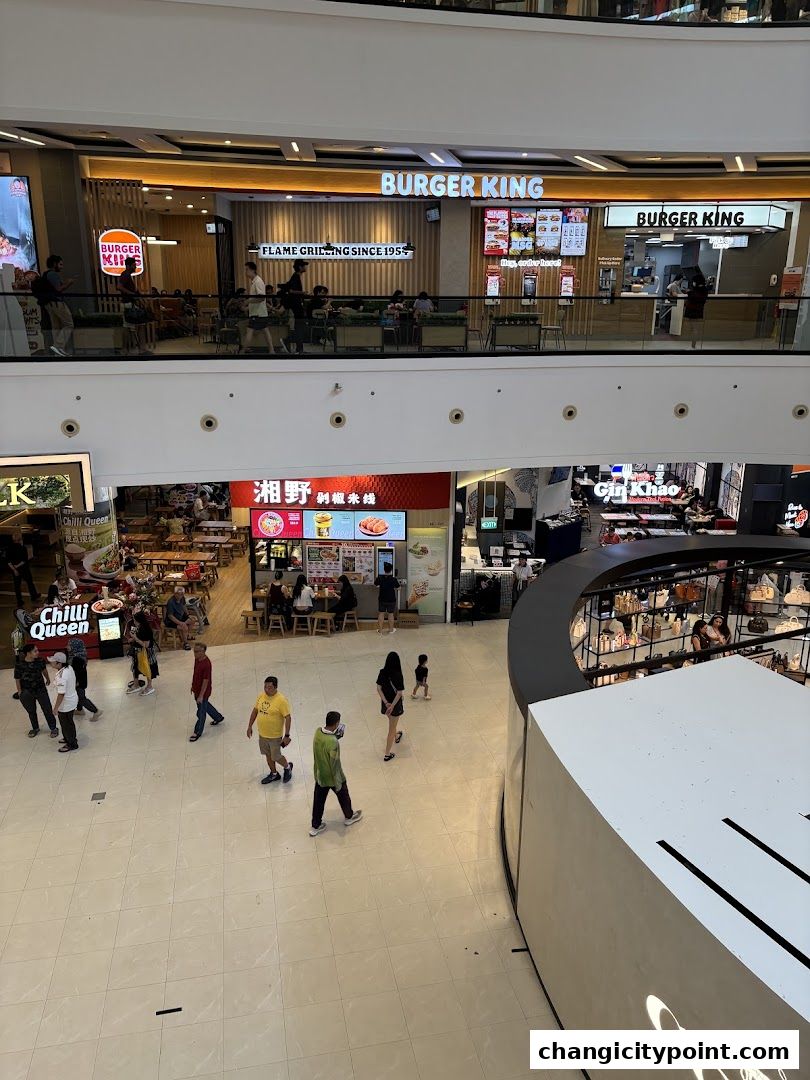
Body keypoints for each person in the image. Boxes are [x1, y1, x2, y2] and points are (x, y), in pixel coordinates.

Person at [309, 711, 363, 836]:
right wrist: (338, 782)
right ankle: (349, 817)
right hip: (333, 777)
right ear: (337, 723)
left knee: (318, 801)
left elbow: (323, 745)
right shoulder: (333, 742)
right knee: (343, 796)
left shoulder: (318, 732)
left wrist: (335, 737)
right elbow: (335, 763)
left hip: (320, 775)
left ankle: (315, 826)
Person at [246, 675, 294, 784]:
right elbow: (255, 711)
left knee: (276, 756)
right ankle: (274, 774)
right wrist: (249, 726)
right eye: (265, 687)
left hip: (275, 736)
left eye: (269, 687)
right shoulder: (261, 696)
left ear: (275, 687)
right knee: (268, 756)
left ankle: (287, 767)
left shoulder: (281, 700)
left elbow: (288, 717)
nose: (266, 690)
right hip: (262, 734)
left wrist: (286, 736)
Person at [14, 643, 58, 738]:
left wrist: (48, 679)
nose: (38, 652)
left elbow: (44, 670)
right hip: (27, 691)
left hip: (40, 689)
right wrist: (20, 691)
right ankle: (35, 728)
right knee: (31, 710)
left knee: (47, 709)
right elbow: (17, 679)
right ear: (28, 653)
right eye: (35, 651)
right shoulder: (19, 665)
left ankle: (53, 728)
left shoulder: (40, 661)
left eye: (37, 650)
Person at [189, 642, 224, 742]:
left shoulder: (207, 664)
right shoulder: (197, 659)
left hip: (203, 692)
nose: (194, 653)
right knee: (205, 706)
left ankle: (198, 732)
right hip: (196, 689)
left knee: (201, 712)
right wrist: (192, 685)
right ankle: (218, 717)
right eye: (194, 651)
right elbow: (195, 673)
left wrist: (201, 695)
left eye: (197, 651)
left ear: (203, 651)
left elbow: (205, 681)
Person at [40, 254, 75, 356]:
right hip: (56, 302)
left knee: (56, 327)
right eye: (60, 264)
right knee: (69, 324)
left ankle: (57, 351)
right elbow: (59, 289)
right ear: (54, 264)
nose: (61, 267)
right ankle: (58, 346)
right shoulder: (53, 274)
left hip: (49, 304)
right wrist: (69, 283)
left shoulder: (46, 274)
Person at [242, 261, 279, 353]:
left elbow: (261, 298)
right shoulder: (255, 282)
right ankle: (271, 350)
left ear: (252, 270)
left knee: (250, 331)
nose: (246, 272)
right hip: (259, 312)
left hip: (257, 314)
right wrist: (248, 307)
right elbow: (260, 300)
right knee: (265, 331)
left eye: (247, 270)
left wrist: (247, 302)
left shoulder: (258, 282)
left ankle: (242, 351)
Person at [118, 256, 151, 354]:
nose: (135, 267)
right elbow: (119, 287)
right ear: (129, 265)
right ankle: (138, 348)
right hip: (129, 304)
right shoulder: (125, 275)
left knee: (131, 326)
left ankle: (130, 348)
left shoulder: (127, 275)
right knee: (133, 326)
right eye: (134, 265)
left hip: (129, 304)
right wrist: (131, 294)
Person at [377, 651, 405, 761]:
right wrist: (392, 706)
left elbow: (378, 688)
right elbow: (399, 693)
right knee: (391, 728)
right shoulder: (398, 674)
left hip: (385, 704)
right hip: (395, 706)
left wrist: (386, 703)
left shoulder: (382, 672)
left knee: (392, 723)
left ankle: (396, 736)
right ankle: (387, 754)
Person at [49, 651, 79, 752]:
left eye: (53, 661)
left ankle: (72, 743)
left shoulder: (62, 676)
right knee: (67, 723)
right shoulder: (68, 668)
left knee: (67, 724)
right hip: (71, 699)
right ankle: (67, 738)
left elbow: (61, 694)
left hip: (65, 704)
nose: (51, 663)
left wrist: (55, 708)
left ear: (59, 663)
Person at [68, 637, 102, 720]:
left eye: (69, 645)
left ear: (74, 647)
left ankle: (96, 711)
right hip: (81, 681)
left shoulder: (76, 659)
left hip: (78, 682)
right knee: (77, 696)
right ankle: (80, 710)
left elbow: (78, 672)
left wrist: (76, 682)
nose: (67, 646)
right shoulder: (80, 656)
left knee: (81, 698)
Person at [6, 530, 40, 607]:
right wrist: (17, 567)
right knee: (30, 582)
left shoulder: (9, 548)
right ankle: (34, 596)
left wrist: (14, 569)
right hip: (24, 569)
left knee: (17, 586)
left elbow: (8, 561)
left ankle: (19, 601)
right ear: (20, 539)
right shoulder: (23, 548)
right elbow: (24, 561)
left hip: (14, 570)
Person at [130, 609, 158, 695]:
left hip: (146, 653)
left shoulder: (146, 629)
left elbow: (145, 645)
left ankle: (149, 686)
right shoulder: (138, 627)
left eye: (134, 620)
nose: (133, 621)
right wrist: (132, 638)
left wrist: (135, 638)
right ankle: (136, 684)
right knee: (135, 668)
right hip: (137, 651)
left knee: (148, 668)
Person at [285, 258, 309, 354]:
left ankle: (299, 349)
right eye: (304, 265)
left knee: (300, 326)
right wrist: (303, 293)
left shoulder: (296, 276)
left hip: (297, 305)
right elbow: (291, 290)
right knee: (300, 326)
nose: (305, 267)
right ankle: (288, 341)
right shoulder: (295, 277)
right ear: (300, 267)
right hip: (296, 305)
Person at [684, 272, 709, 349]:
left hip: (694, 310)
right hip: (697, 310)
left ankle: (693, 345)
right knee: (693, 327)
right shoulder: (704, 289)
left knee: (694, 328)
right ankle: (693, 344)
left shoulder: (700, 290)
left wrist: (689, 293)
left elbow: (695, 298)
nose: (693, 283)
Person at [374, 565, 399, 634]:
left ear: (384, 570)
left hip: (382, 599)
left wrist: (380, 586)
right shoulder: (393, 579)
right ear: (391, 570)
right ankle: (391, 630)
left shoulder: (380, 578)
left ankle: (380, 630)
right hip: (391, 599)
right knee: (391, 614)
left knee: (381, 613)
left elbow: (375, 584)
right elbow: (398, 587)